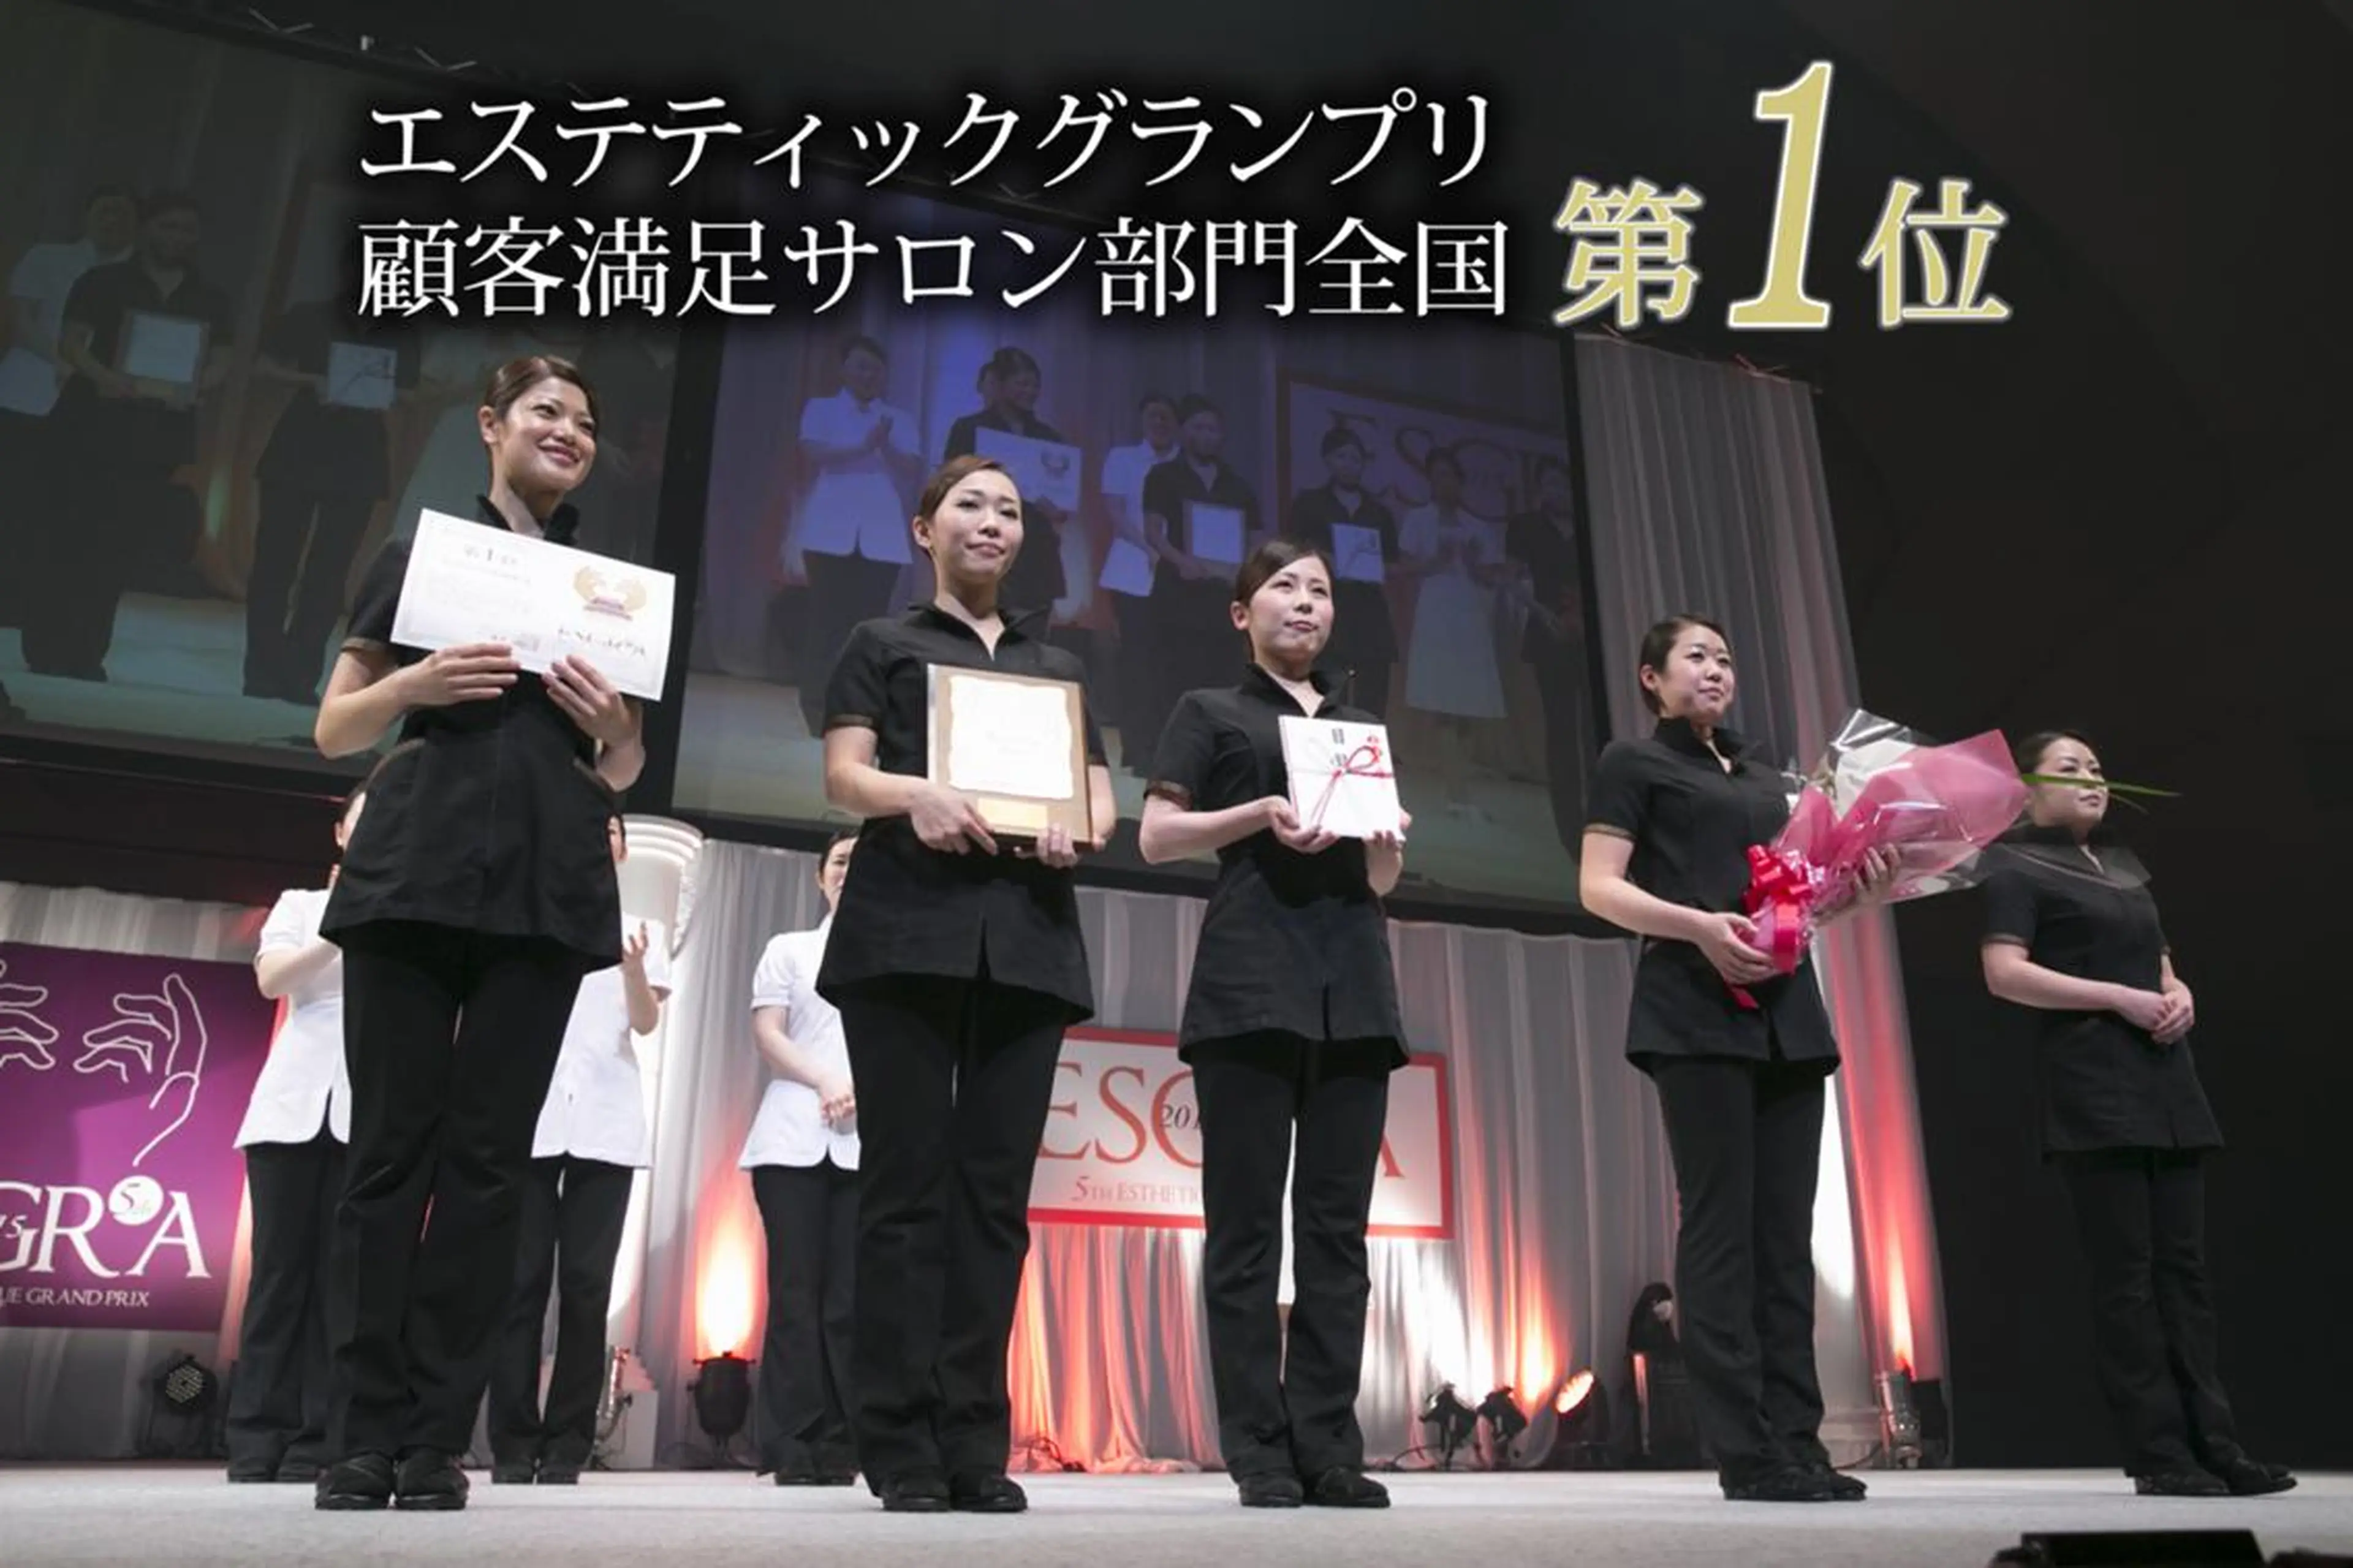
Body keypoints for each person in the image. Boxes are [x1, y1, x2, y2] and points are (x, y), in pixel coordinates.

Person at [309, 355, 642, 1512]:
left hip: (546, 884)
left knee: (492, 1166)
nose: (569, 430)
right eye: (547, 411)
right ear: (490, 425)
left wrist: (614, 732)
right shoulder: (423, 558)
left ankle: (436, 1438)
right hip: (414, 870)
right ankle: (361, 1433)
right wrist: (418, 684)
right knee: (392, 1151)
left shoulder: (608, 593)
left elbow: (628, 761)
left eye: (585, 420)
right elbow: (334, 725)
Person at [816, 452, 1116, 1513]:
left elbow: (1095, 797)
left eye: (1011, 509)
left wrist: (1077, 829)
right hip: (904, 932)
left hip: (1028, 945)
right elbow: (845, 772)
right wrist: (918, 795)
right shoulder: (880, 643)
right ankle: (896, 1440)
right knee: (902, 1191)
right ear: (922, 527)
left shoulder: (1060, 662)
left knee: (993, 1200)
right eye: (971, 504)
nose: (993, 522)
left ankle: (973, 1438)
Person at [1577, 615, 1893, 1503]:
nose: (1716, 669)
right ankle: (1745, 1448)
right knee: (1720, 1228)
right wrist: (1700, 928)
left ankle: (1800, 1437)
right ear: (1651, 677)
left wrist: (1857, 894)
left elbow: (1802, 902)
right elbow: (1599, 888)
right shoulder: (1633, 763)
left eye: (1724, 657)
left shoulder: (1772, 779)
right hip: (1694, 1008)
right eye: (1696, 656)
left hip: (1788, 1015)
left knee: (1786, 1237)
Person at [1138, 539, 1410, 1510]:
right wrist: (1255, 811)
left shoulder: (1359, 726)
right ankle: (1258, 1443)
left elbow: (1379, 881)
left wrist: (1385, 843)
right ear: (1241, 612)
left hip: (1354, 989)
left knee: (1338, 1232)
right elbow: (1157, 833)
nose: (1306, 603)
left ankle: (1330, 1443)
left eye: (1321, 590)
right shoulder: (1209, 713)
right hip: (1250, 985)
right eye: (1285, 588)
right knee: (1246, 1228)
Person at [1978, 732, 2294, 1498]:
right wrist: (2119, 999)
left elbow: (2157, 958)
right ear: (2027, 790)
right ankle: (2159, 1452)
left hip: (2166, 1077)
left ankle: (2217, 1444)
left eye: (2095, 768)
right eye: (2069, 770)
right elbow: (2005, 974)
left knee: (2185, 1273)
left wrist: (2179, 992)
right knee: (2127, 1278)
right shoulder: (2013, 865)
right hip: (2094, 1082)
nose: (2091, 779)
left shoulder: (2121, 864)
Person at [488, 816, 671, 1486]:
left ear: (622, 848)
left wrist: (633, 969)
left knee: (588, 1289)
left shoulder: (642, 922)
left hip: (607, 1125)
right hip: (530, 1123)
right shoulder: (527, 910)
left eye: (611, 832)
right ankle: (510, 1442)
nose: (599, 840)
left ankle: (567, 1442)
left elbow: (647, 1021)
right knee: (519, 1286)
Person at [27, 191, 235, 680]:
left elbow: (222, 358)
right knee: (70, 536)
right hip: (91, 425)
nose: (177, 238)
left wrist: (199, 385)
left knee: (120, 545)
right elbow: (72, 344)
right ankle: (45, 646)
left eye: (186, 230)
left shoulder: (211, 297)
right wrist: (108, 379)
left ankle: (87, 652)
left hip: (156, 436)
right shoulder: (103, 281)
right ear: (147, 230)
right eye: (168, 227)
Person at [224, 787, 366, 1485]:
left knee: (347, 1282)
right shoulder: (302, 904)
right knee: (279, 1275)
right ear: (341, 832)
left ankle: (322, 1439)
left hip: (370, 1111)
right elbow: (272, 979)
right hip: (290, 1107)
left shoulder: (413, 914)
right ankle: (256, 1438)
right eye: (365, 817)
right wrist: (344, 922)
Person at [741, 829, 862, 1487]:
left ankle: (843, 1440)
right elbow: (768, 1034)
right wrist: (824, 1080)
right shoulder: (789, 949)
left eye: (861, 864)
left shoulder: (894, 953)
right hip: (791, 1139)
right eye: (840, 862)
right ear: (821, 877)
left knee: (850, 1297)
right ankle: (791, 1442)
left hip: (866, 1143)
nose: (850, 871)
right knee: (795, 1292)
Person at [244, 300, 419, 703]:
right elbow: (262, 366)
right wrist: (313, 380)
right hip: (297, 447)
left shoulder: (403, 328)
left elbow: (411, 388)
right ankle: (260, 672)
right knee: (274, 564)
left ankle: (300, 677)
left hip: (359, 456)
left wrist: (382, 392)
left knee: (329, 572)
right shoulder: (310, 315)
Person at [0, 186, 138, 641]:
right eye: (105, 210)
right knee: (13, 502)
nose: (112, 220)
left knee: (59, 511)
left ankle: (36, 605)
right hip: (29, 387)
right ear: (86, 214)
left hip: (92, 408)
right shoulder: (48, 256)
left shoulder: (136, 272)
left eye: (122, 212)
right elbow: (21, 319)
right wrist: (63, 361)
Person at [792, 334, 924, 733]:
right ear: (844, 369)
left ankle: (858, 712)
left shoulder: (899, 418)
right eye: (862, 366)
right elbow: (815, 452)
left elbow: (911, 468)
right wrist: (864, 444)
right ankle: (817, 711)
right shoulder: (822, 408)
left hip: (881, 534)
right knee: (825, 622)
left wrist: (883, 447)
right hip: (829, 529)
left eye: (877, 369)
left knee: (869, 628)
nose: (870, 375)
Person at [1135, 394, 1260, 769]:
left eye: (1214, 429)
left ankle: (1211, 759)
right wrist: (1181, 561)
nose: (1207, 435)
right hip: (1178, 591)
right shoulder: (1163, 476)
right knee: (1171, 674)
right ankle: (1163, 759)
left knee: (1221, 675)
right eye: (1199, 427)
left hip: (1223, 595)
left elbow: (1256, 536)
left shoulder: (1238, 485)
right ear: (1184, 431)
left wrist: (1247, 572)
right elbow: (1153, 531)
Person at [1395, 447, 1507, 819]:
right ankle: (1455, 793)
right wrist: (1435, 561)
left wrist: (1475, 564)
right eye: (1437, 476)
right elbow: (1405, 566)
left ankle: (1462, 789)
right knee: (1444, 704)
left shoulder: (1478, 526)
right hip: (1436, 614)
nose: (1444, 482)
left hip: (1469, 616)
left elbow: (1492, 576)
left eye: (1450, 475)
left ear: (1460, 481)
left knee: (1468, 705)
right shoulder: (1418, 519)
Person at [942, 346, 1072, 623]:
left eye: (1035, 385)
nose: (1030, 391)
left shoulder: (1049, 437)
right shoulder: (969, 429)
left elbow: (1063, 500)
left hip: (1036, 550)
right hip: (984, 543)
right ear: (999, 385)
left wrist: (1059, 511)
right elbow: (950, 486)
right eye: (1021, 383)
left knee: (1030, 637)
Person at [1504, 457, 1591, 854]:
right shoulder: (1525, 527)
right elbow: (1514, 582)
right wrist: (1546, 616)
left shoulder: (1592, 523)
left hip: (1590, 638)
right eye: (1550, 483)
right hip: (1547, 634)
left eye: (1563, 483)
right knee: (1560, 731)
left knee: (1592, 731)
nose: (1557, 491)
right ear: (1541, 488)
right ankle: (1570, 832)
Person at [1283, 427, 1400, 720]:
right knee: (1324, 684)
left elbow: (1392, 562)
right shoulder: (1310, 504)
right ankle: (1320, 752)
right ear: (1328, 460)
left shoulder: (1378, 511)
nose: (1350, 464)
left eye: (1356, 458)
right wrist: (1324, 559)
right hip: (1326, 604)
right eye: (1342, 457)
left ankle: (1366, 755)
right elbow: (1291, 549)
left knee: (1372, 687)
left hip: (1369, 607)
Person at [1097, 392, 1181, 771]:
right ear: (1142, 420)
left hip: (1176, 576)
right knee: (1136, 663)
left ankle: (1165, 747)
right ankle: (1136, 749)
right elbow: (1116, 513)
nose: (1160, 424)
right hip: (1132, 568)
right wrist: (1149, 548)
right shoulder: (1123, 458)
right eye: (1153, 416)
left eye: (1166, 418)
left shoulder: (1184, 463)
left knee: (1167, 663)